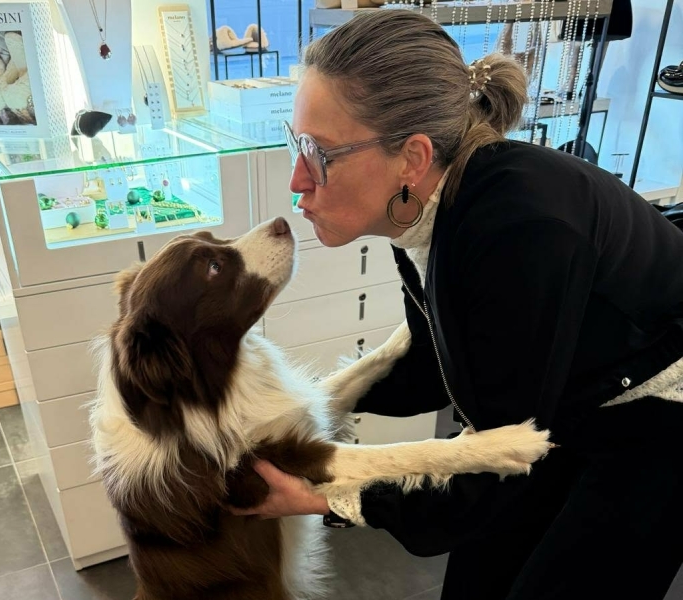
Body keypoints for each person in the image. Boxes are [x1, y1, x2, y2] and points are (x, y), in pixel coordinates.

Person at [232, 10, 683, 600]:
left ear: (412, 159)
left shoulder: (519, 228)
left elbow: (494, 460)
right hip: (564, 394)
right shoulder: (421, 211)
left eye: (319, 152)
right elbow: (432, 371)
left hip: (660, 411)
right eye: (298, 144)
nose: (298, 179)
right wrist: (288, 415)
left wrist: (324, 497)